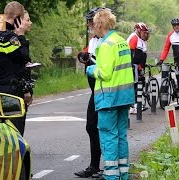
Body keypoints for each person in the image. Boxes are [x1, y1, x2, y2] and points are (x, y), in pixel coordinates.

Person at [86, 9, 135, 180]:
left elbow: (105, 73)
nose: (92, 27)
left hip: (109, 98)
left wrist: (91, 69)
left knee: (108, 136)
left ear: (99, 24)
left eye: (93, 24)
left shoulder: (105, 45)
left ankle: (111, 176)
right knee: (121, 135)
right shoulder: (122, 41)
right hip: (124, 97)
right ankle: (123, 173)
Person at [0, 1, 32, 136]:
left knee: (2, 131)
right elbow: (24, 59)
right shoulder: (9, 38)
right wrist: (21, 36)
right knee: (15, 132)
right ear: (17, 18)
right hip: (12, 91)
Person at [74, 7, 109, 178]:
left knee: (106, 129)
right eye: (87, 22)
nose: (88, 25)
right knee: (91, 127)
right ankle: (94, 166)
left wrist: (91, 66)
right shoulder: (94, 39)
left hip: (106, 90)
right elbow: (89, 54)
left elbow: (105, 67)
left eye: (91, 22)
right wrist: (84, 56)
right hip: (95, 90)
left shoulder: (107, 40)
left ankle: (109, 168)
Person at [157, 18, 179, 109]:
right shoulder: (171, 35)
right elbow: (166, 48)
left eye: (178, 25)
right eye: (174, 25)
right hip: (177, 62)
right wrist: (161, 59)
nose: (176, 27)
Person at [127, 22, 150, 114]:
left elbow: (140, 55)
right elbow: (131, 55)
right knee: (135, 86)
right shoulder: (133, 38)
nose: (145, 34)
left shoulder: (139, 39)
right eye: (144, 32)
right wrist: (135, 67)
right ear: (138, 31)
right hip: (133, 66)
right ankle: (134, 106)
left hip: (137, 66)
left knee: (139, 84)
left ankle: (136, 105)